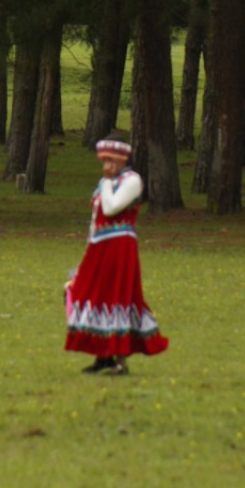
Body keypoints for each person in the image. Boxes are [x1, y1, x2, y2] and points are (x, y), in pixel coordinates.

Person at [64, 133, 168, 376]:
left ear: (123, 161)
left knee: (117, 297)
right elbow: (96, 217)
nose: (108, 165)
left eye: (112, 161)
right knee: (91, 294)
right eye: (105, 160)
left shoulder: (131, 181)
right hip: (100, 245)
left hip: (120, 246)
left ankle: (120, 359)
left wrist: (108, 183)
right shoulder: (105, 183)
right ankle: (102, 355)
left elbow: (111, 208)